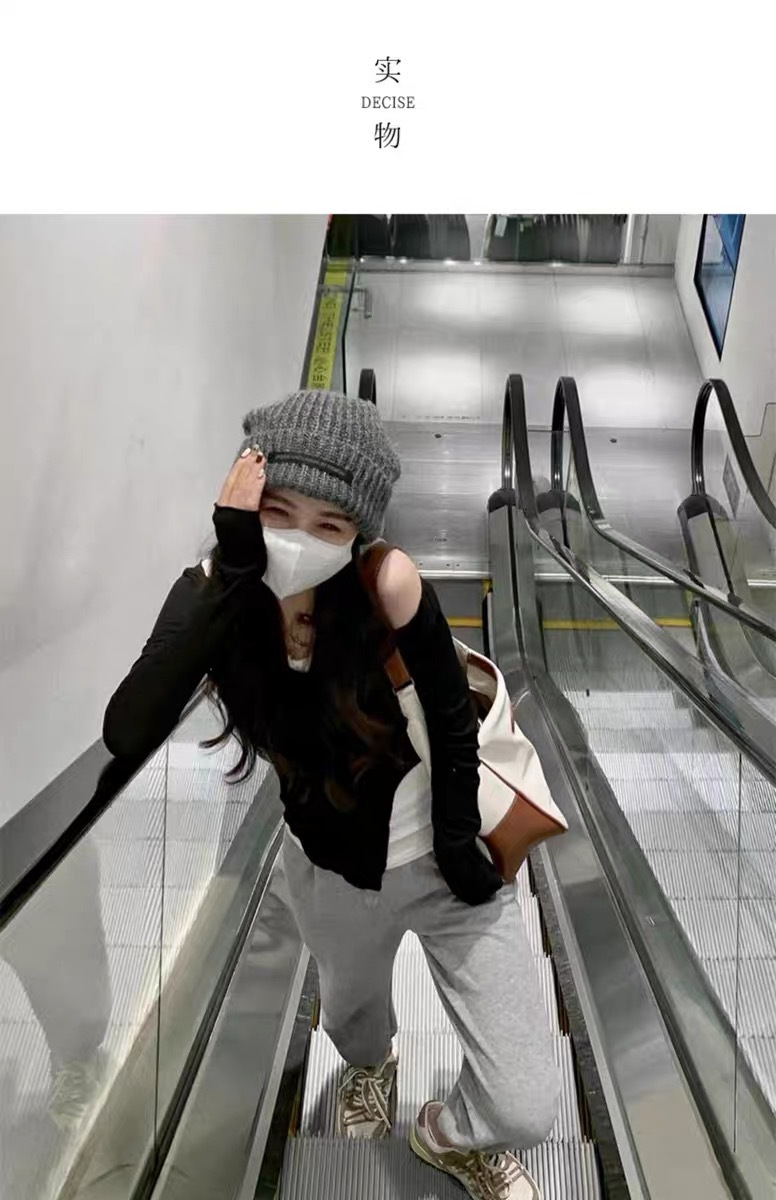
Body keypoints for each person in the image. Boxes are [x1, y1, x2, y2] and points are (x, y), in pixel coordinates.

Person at [102, 389, 560, 1199]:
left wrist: (459, 841)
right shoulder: (219, 591)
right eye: (277, 512)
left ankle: (450, 1136)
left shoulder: (387, 585)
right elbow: (128, 727)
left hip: (445, 864)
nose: (299, 540)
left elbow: (452, 722)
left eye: (329, 524)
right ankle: (371, 1070)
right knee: (354, 1024)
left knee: (525, 1100)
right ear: (244, 500)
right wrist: (234, 567)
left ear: (358, 531)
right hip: (329, 874)